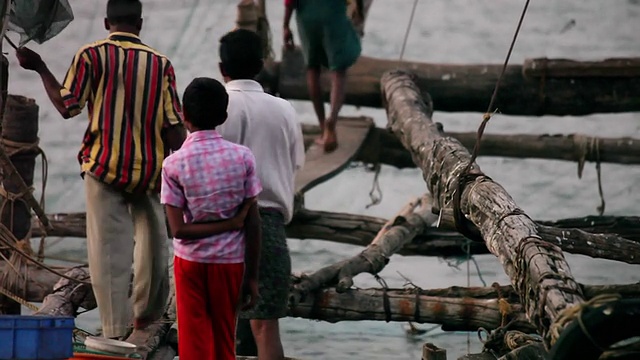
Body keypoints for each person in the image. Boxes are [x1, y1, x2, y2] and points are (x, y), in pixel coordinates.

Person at [15, 0, 186, 339]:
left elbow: (68, 105)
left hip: (103, 167)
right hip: (150, 172)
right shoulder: (160, 64)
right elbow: (174, 130)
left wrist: (40, 67)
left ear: (107, 21)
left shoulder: (90, 55)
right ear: (140, 23)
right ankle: (145, 319)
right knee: (153, 248)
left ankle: (114, 332)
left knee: (109, 253)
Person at [217, 29, 305, 360]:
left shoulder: (216, 105)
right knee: (265, 327)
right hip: (268, 225)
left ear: (221, 67)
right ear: (260, 65)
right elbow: (296, 164)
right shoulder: (284, 110)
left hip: (220, 225)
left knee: (217, 323)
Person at [161, 77, 262, 360]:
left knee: (195, 347)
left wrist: (228, 224)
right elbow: (253, 223)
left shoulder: (173, 164)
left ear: (183, 114)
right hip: (230, 264)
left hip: (190, 265)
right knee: (223, 344)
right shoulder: (242, 157)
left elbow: (178, 229)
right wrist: (252, 276)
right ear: (224, 116)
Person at [283, 0, 362, 152]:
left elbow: (289, 1)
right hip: (333, 11)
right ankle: (331, 120)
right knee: (338, 70)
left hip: (307, 14)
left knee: (312, 68)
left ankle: (322, 126)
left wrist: (286, 25)